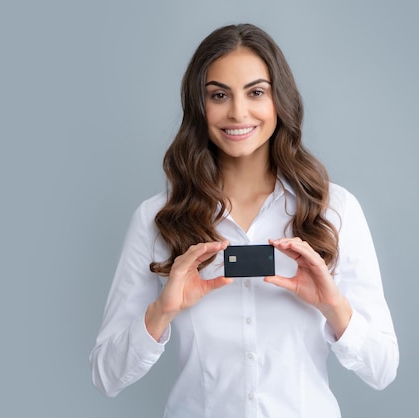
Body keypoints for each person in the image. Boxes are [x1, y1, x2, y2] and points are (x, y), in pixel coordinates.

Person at [90, 23, 398, 417]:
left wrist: (334, 307)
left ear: (279, 101)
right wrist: (161, 313)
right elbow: (105, 375)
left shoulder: (333, 210)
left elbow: (383, 369)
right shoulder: (157, 219)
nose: (238, 112)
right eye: (219, 95)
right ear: (199, 106)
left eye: (256, 92)